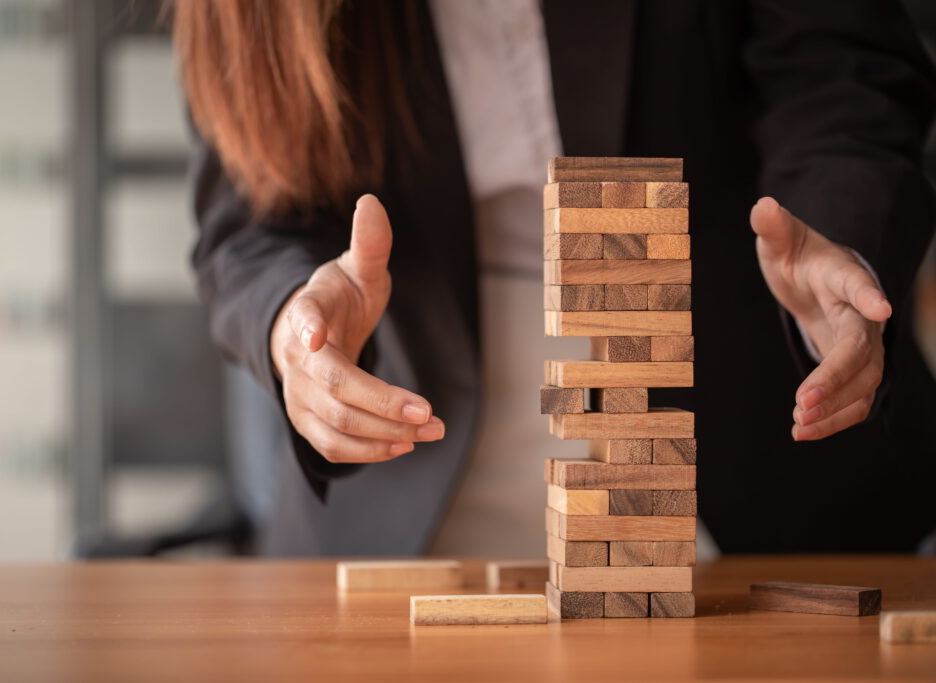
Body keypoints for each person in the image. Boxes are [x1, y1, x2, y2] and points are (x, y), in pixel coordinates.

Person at [173, 0, 936, 556]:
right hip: (404, 472)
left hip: (745, 433)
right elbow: (248, 218)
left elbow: (840, 70)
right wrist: (296, 326)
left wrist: (844, 240)